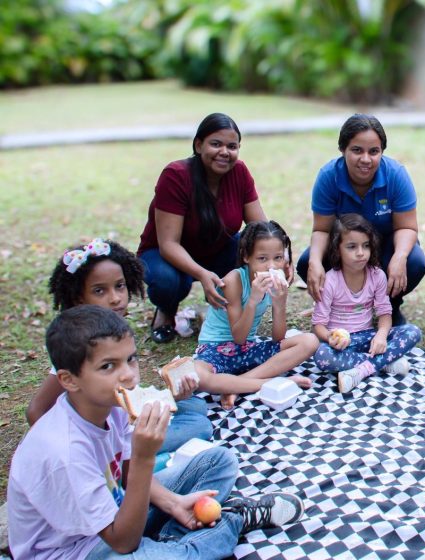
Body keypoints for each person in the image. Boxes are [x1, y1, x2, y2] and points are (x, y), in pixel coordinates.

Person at [7, 305, 305, 560]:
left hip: (118, 512)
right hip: (80, 550)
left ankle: (174, 534)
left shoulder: (111, 405)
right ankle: (232, 521)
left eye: (131, 359)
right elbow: (123, 541)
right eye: (108, 366)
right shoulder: (65, 452)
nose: (128, 375)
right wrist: (145, 457)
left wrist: (174, 503)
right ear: (69, 380)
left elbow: (126, 475)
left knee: (219, 460)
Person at [25, 238, 212, 456]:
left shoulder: (113, 328)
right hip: (111, 440)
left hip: (121, 417)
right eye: (99, 291)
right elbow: (35, 410)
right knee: (199, 425)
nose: (115, 298)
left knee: (195, 406)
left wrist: (171, 396)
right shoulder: (77, 342)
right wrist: (74, 454)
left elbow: (125, 396)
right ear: (78, 298)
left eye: (119, 286)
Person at [138, 113, 270, 344]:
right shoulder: (176, 175)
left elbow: (260, 228)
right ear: (199, 145)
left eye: (232, 146)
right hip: (164, 254)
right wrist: (201, 273)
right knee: (169, 282)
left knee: (252, 252)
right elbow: (168, 244)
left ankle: (224, 309)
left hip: (217, 249)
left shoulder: (239, 172)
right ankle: (166, 310)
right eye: (216, 144)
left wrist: (280, 258)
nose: (224, 152)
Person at [297, 114, 425, 326]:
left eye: (374, 151)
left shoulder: (396, 175)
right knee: (307, 261)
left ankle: (390, 307)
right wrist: (314, 263)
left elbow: (407, 227)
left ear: (382, 152)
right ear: (343, 149)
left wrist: (400, 257)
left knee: (414, 262)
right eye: (357, 150)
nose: (366, 159)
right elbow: (322, 230)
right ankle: (340, 306)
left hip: (385, 246)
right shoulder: (328, 176)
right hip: (345, 248)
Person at [192, 221, 318, 409]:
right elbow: (238, 337)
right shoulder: (233, 281)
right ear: (246, 256)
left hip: (247, 350)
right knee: (198, 376)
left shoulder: (274, 282)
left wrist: (280, 303)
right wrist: (253, 300)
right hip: (215, 349)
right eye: (262, 258)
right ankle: (268, 382)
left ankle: (236, 385)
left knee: (310, 341)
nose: (271, 266)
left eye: (278, 257)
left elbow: (278, 339)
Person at [312, 213, 422, 393]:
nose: (361, 253)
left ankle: (362, 369)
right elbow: (318, 325)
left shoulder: (377, 275)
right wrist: (330, 337)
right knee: (322, 356)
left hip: (368, 337)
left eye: (366, 245)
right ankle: (384, 363)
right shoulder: (330, 280)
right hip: (343, 344)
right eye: (352, 247)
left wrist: (381, 336)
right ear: (337, 249)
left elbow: (384, 313)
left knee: (413, 332)